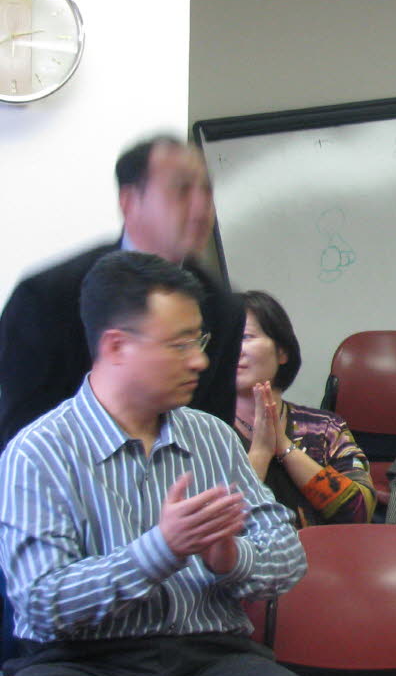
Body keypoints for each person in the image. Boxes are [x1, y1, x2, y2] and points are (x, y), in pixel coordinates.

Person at [0, 251, 349, 676]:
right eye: (179, 344)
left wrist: (230, 558)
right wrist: (159, 551)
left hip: (207, 660)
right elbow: (42, 601)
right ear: (116, 346)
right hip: (81, 667)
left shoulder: (211, 437)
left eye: (199, 341)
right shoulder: (39, 451)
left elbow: (287, 557)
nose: (200, 362)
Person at [0, 136, 243, 448]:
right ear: (129, 201)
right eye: (181, 191)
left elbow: (213, 439)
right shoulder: (46, 297)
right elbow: (21, 436)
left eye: (206, 191)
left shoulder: (223, 308)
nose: (200, 208)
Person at [232, 291, 375, 526]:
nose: (234, 348)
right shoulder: (206, 430)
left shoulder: (325, 428)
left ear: (282, 351)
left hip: (321, 549)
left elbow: (358, 512)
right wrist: (260, 452)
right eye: (227, 338)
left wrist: (284, 446)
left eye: (246, 336)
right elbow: (216, 528)